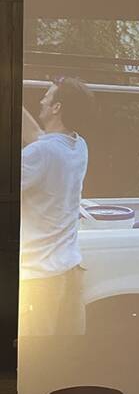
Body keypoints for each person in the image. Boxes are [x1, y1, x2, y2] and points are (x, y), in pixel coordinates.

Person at [19, 77, 95, 336]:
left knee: (37, 354)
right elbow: (38, 137)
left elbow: (40, 147)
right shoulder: (78, 145)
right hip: (70, 271)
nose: (41, 101)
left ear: (57, 107)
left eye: (47, 96)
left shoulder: (39, 154)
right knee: (68, 351)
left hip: (39, 279)